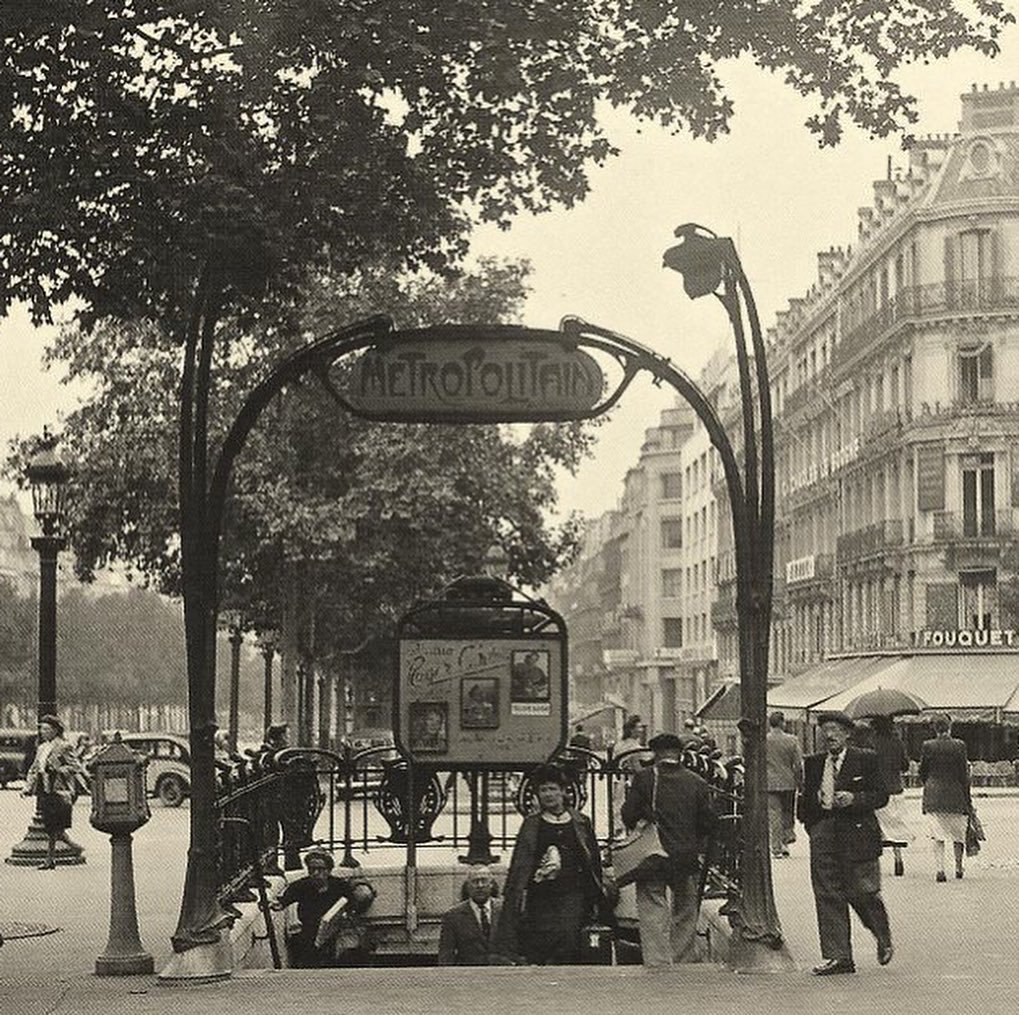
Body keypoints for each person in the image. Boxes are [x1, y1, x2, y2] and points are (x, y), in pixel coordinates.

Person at [798, 710, 893, 976]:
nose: (829, 735)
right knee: (827, 893)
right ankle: (839, 957)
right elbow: (803, 802)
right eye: (825, 730)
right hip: (824, 832)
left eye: (835, 730)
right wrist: (814, 823)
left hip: (857, 832)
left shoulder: (865, 759)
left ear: (847, 734)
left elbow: (881, 795)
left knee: (862, 891)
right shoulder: (814, 763)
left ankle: (882, 935)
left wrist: (854, 799)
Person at [620, 732, 717, 967]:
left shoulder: (644, 779)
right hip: (685, 856)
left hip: (653, 856)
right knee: (685, 910)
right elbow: (708, 822)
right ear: (680, 754)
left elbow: (628, 814)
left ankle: (658, 963)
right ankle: (681, 960)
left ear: (656, 754)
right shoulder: (697, 782)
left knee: (653, 908)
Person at [495, 764, 608, 965]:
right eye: (543, 790)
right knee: (540, 946)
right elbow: (520, 865)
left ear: (564, 791)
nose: (548, 794)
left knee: (568, 942)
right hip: (540, 899)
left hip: (572, 896)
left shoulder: (581, 822)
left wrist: (595, 896)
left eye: (553, 789)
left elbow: (592, 862)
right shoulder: (531, 824)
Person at [270, 849, 376, 967]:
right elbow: (283, 901)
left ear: (329, 870)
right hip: (310, 932)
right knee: (306, 953)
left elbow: (352, 901)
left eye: (320, 869)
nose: (315, 873)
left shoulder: (339, 885)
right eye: (312, 869)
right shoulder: (300, 886)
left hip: (336, 930)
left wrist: (348, 912)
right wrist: (275, 904)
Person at [22, 715, 86, 870]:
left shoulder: (64, 746)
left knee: (53, 825)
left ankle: (52, 858)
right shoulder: (42, 748)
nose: (43, 732)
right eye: (42, 729)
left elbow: (75, 767)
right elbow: (34, 769)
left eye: (46, 729)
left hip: (59, 790)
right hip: (44, 789)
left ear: (55, 730)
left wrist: (59, 769)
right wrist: (27, 787)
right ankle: (69, 850)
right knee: (52, 825)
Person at [919, 714, 971, 882]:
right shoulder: (959, 745)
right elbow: (964, 773)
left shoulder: (927, 745)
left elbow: (923, 771)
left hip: (933, 794)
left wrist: (929, 782)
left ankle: (940, 869)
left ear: (935, 729)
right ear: (950, 728)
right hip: (955, 794)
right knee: (958, 835)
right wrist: (967, 798)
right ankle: (958, 867)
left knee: (938, 835)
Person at [870, 716, 913, 876]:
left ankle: (875, 863)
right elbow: (905, 765)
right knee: (896, 825)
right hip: (896, 788)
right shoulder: (897, 742)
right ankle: (898, 858)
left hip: (878, 790)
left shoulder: (871, 743)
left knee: (877, 827)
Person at [437, 866, 504, 965]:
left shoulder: (505, 911)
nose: (480, 886)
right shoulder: (453, 916)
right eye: (475, 881)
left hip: (503, 975)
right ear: (467, 886)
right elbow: (446, 954)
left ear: (491, 884)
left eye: (484, 881)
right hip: (469, 975)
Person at [766, 711, 803, 859]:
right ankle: (786, 841)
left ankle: (776, 847)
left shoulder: (764, 740)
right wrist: (800, 783)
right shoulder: (792, 740)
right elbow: (798, 765)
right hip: (788, 782)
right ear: (782, 723)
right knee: (788, 812)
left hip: (770, 783)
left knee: (774, 814)